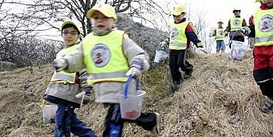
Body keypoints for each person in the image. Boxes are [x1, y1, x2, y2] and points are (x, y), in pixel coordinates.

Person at [52, 4, 160, 137]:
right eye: (96, 17)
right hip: (105, 91)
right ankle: (150, 120)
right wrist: (65, 63)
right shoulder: (88, 41)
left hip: (123, 89)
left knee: (113, 123)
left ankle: (149, 121)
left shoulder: (120, 37)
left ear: (113, 21)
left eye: (105, 17)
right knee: (128, 115)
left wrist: (137, 65)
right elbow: (76, 58)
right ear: (91, 21)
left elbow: (138, 55)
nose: (100, 20)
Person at [43, 20, 96, 137]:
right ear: (62, 34)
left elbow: (85, 72)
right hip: (58, 94)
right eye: (66, 32)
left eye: (73, 33)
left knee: (61, 126)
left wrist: (87, 90)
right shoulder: (61, 53)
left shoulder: (79, 51)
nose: (69, 36)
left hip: (68, 95)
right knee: (72, 124)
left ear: (78, 36)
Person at [169, 4, 203, 91]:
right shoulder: (172, 25)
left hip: (182, 48)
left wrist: (199, 45)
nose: (176, 17)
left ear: (183, 14)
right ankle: (177, 81)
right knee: (172, 66)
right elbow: (172, 36)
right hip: (172, 48)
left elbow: (192, 36)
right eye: (174, 15)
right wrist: (165, 43)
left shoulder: (186, 25)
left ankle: (189, 68)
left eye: (178, 15)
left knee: (180, 63)